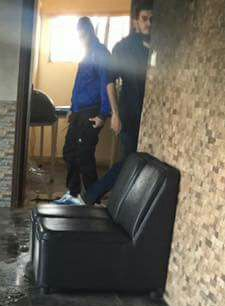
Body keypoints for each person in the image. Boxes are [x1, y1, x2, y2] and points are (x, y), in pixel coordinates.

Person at [80, 3, 153, 206]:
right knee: (130, 160)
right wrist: (115, 114)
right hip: (129, 114)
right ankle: (92, 195)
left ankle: (115, 200)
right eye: (145, 18)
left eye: (152, 19)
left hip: (152, 118)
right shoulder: (124, 48)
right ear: (136, 21)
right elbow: (109, 81)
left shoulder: (158, 48)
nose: (149, 23)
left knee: (139, 161)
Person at [54, 17, 112, 206]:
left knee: (84, 155)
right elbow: (79, 85)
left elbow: (106, 83)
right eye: (79, 36)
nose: (81, 39)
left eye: (83, 35)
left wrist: (104, 114)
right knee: (69, 151)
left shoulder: (100, 53)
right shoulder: (87, 54)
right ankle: (73, 193)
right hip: (79, 112)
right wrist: (72, 108)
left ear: (90, 31)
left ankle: (94, 201)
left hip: (92, 112)